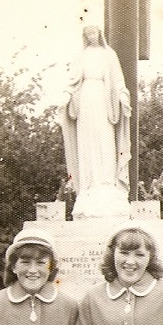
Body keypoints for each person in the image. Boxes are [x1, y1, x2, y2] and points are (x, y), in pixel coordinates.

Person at [60, 25, 131, 219]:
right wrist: (66, 96)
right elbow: (72, 80)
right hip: (86, 98)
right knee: (88, 141)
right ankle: (90, 183)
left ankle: (107, 182)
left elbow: (118, 80)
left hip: (103, 98)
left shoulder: (109, 54)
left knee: (105, 139)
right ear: (84, 36)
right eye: (87, 34)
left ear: (99, 34)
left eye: (94, 33)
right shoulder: (81, 56)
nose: (91, 36)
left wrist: (123, 97)